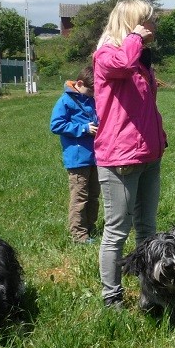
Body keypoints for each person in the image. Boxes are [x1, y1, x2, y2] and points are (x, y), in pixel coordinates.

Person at [93, 0, 167, 309]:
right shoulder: (107, 54)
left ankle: (149, 293)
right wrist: (136, 39)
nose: (154, 26)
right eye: (149, 19)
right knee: (117, 230)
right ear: (133, 22)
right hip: (120, 156)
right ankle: (112, 298)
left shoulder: (139, 56)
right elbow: (122, 65)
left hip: (149, 152)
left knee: (147, 227)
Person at [49, 65, 100, 244]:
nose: (93, 93)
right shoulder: (65, 101)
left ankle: (90, 227)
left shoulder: (92, 99)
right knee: (80, 197)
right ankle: (78, 234)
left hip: (96, 156)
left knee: (94, 195)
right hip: (78, 159)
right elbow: (56, 125)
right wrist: (83, 128)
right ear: (79, 83)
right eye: (91, 89)